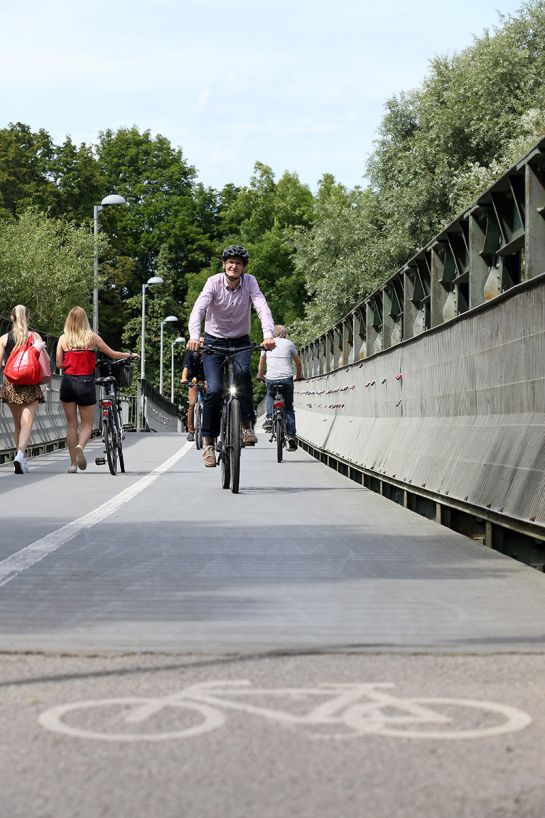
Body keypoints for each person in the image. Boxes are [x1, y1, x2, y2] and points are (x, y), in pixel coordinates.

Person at [187, 244, 275, 467]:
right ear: (224, 265)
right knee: (214, 389)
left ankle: (246, 426)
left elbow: (261, 307)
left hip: (240, 341)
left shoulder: (250, 282)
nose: (233, 266)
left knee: (243, 373)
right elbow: (199, 308)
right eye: (230, 262)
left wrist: (268, 335)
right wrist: (195, 335)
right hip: (214, 343)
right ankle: (208, 443)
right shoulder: (213, 282)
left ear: (243, 267)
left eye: (238, 263)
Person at [56, 306, 137, 473]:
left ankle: (72, 464)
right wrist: (129, 355)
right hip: (86, 383)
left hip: (68, 383)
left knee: (71, 425)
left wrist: (72, 362)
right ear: (85, 320)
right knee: (87, 424)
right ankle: (80, 446)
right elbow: (112, 354)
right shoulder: (92, 338)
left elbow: (58, 364)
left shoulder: (63, 339)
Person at [0, 305, 46, 474]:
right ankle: (20, 455)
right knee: (27, 422)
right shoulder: (34, 337)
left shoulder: (4, 339)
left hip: (11, 384)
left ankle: (18, 455)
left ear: (12, 318)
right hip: (30, 384)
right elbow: (45, 361)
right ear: (28, 318)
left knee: (18, 424)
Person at [257, 325, 302, 451]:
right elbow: (298, 362)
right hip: (287, 379)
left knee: (270, 395)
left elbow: (261, 362)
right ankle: (292, 436)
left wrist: (260, 375)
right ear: (284, 334)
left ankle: (270, 418)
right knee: (288, 408)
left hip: (271, 379)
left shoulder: (266, 344)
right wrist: (297, 376)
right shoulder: (289, 344)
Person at [180, 341, 205, 442]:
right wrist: (183, 378)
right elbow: (186, 366)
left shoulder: (209, 353)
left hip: (206, 380)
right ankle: (191, 431)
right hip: (193, 380)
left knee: (211, 402)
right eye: (200, 342)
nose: (201, 344)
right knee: (192, 403)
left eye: (203, 342)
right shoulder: (191, 353)